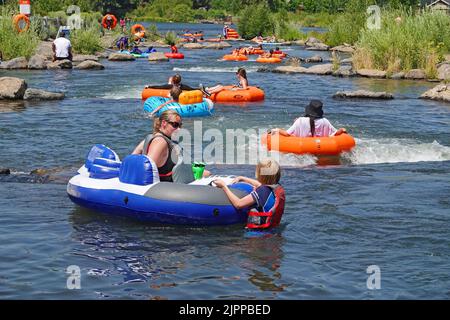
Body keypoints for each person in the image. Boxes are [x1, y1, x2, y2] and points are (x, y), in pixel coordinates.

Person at [213, 159, 285, 229]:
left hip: (257, 235)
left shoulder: (261, 192)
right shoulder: (276, 187)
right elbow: (260, 184)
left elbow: (238, 204)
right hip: (272, 230)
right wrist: (243, 178)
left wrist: (224, 186)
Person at [270, 100, 347, 138]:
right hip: (321, 148)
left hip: (302, 148)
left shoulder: (300, 120)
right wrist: (342, 130)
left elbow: (287, 134)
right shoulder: (325, 121)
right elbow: (335, 134)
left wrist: (276, 130)